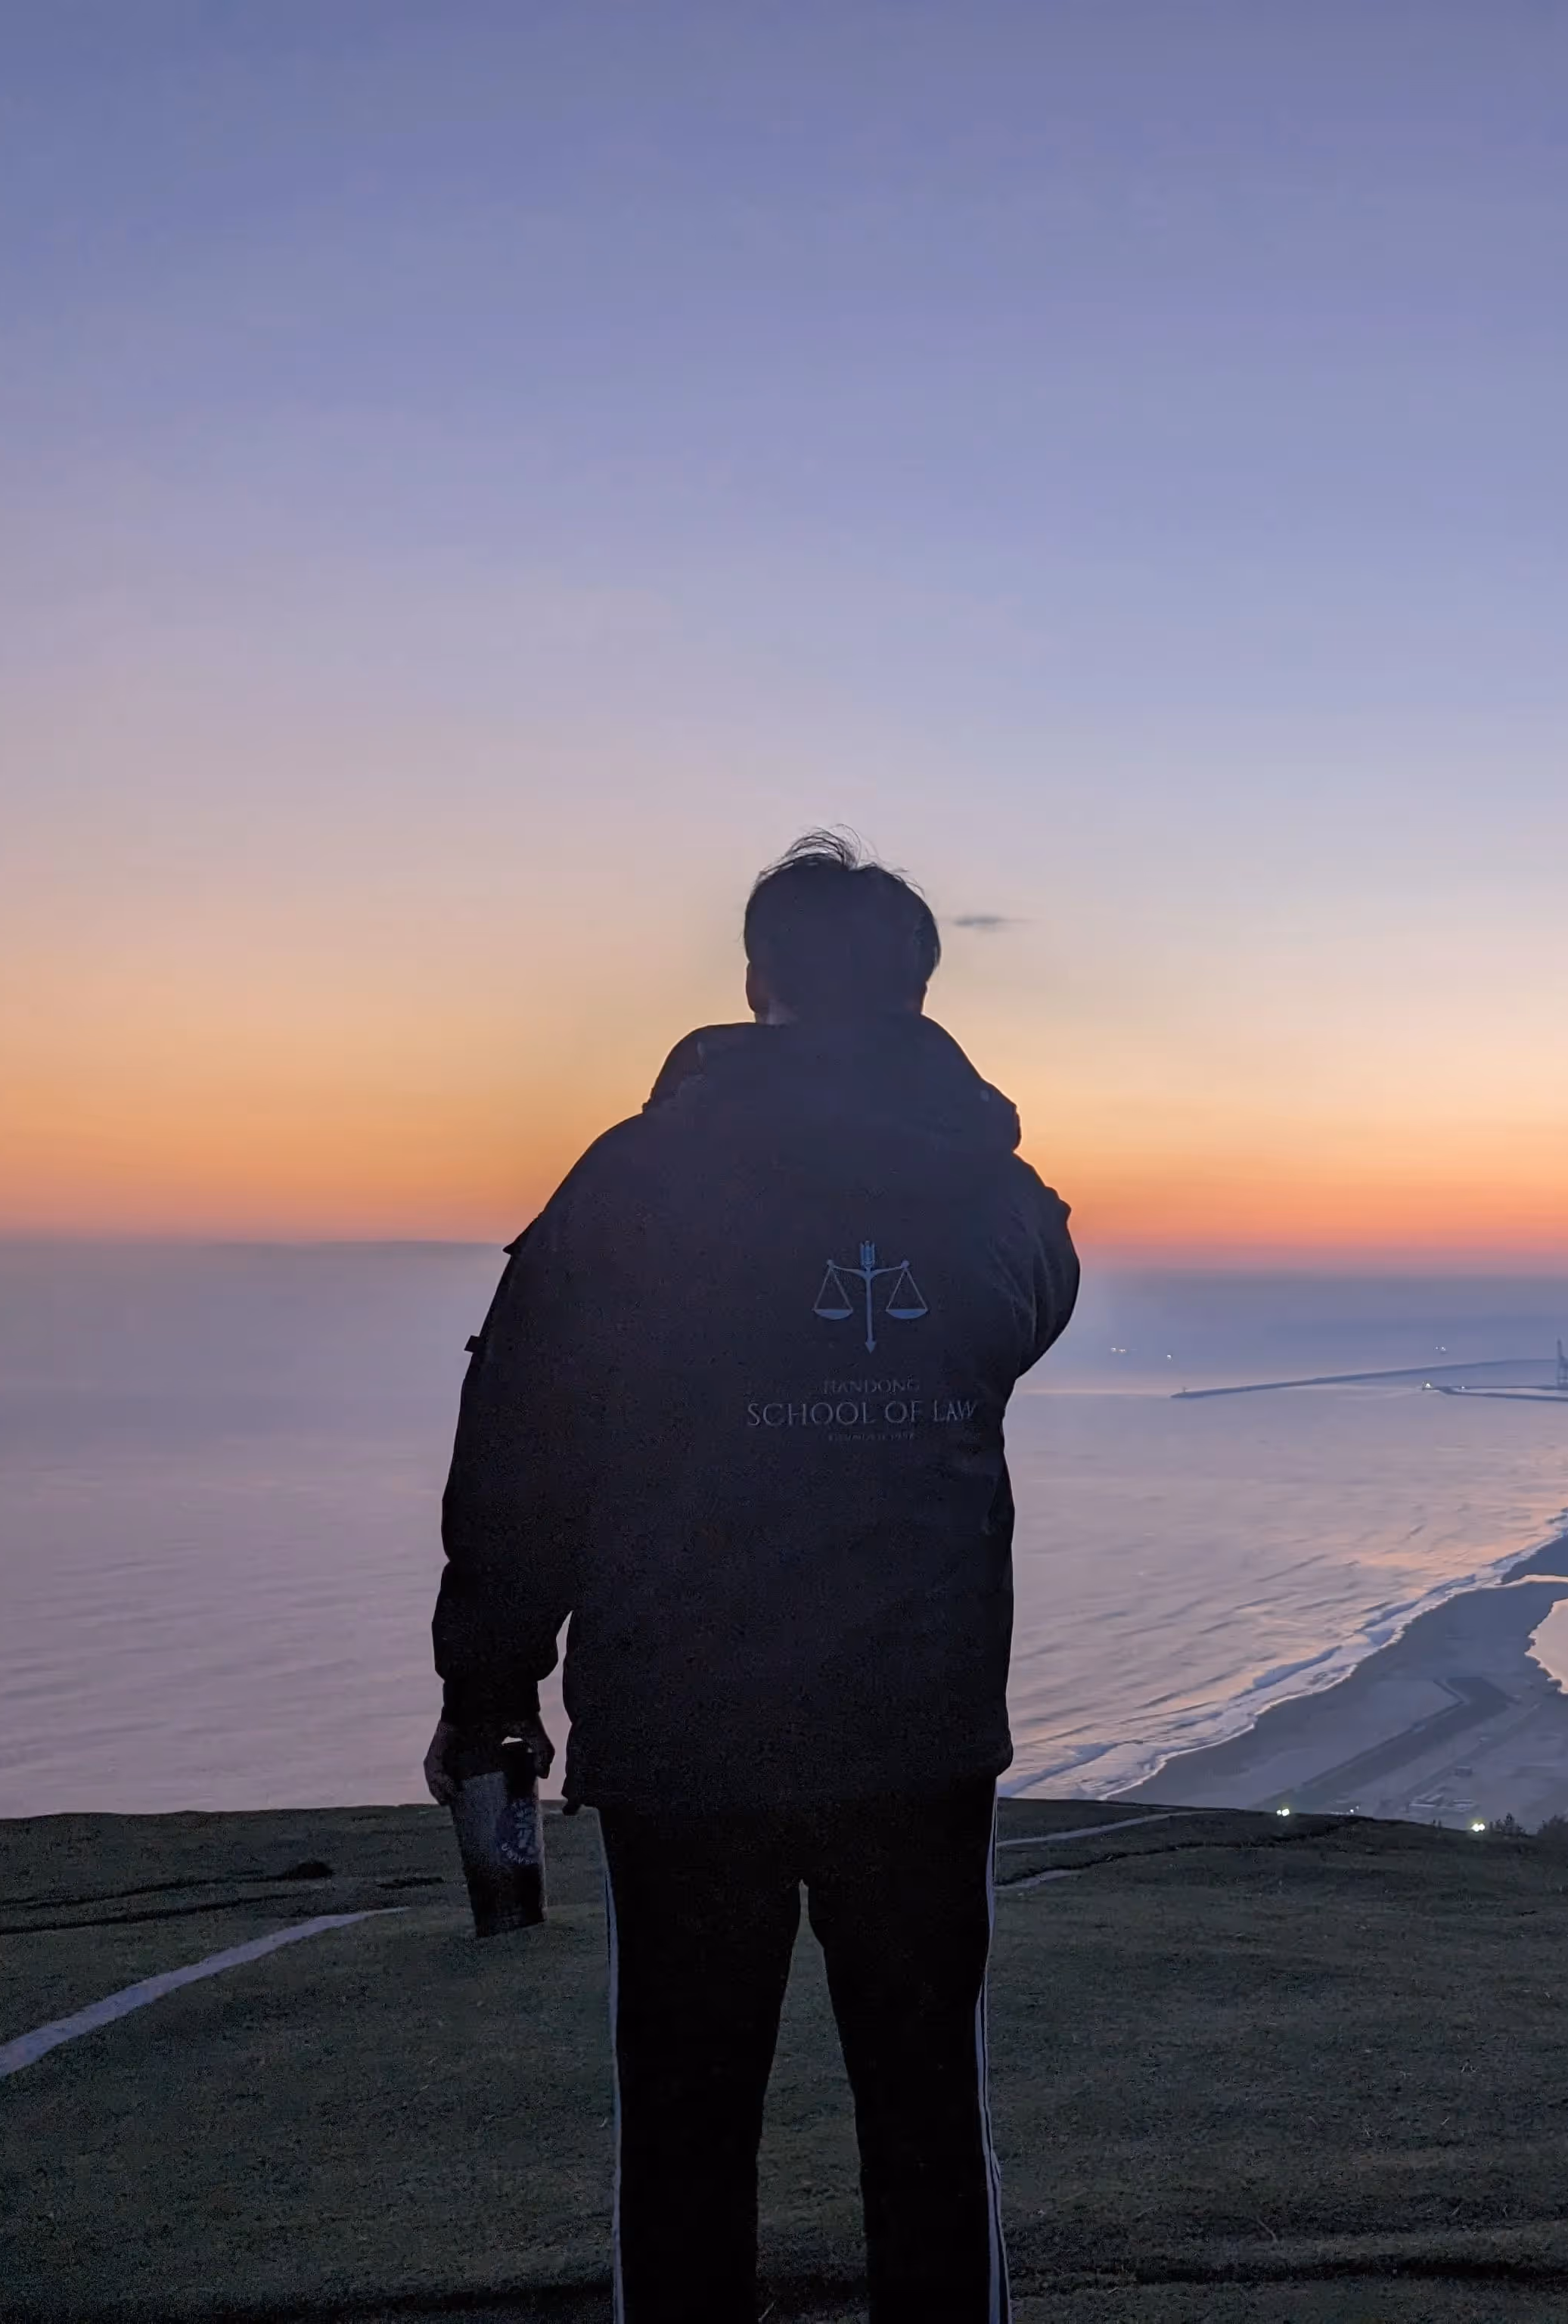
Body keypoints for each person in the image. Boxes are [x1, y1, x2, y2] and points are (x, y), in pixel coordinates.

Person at [427, 831, 1079, 2322]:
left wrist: (488, 1686)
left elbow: (524, 1436)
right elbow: (1027, 1307)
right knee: (925, 2125)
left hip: (686, 1723)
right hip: (915, 1723)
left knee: (686, 2132)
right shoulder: (994, 1199)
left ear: (753, 980)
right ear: (918, 988)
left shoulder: (640, 1183)